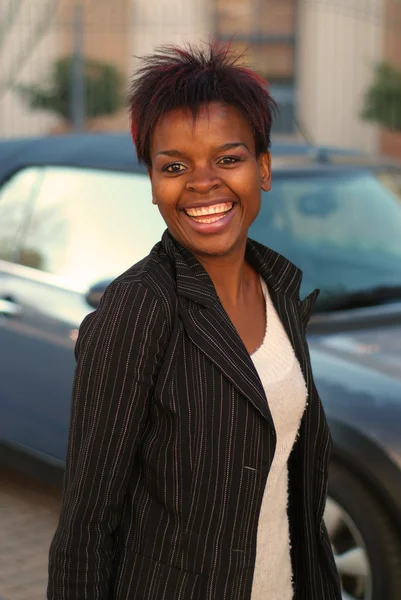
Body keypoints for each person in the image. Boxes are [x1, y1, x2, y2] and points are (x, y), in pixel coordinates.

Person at [48, 42, 341, 600]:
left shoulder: (280, 288)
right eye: (175, 166)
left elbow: (291, 485)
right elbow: (86, 527)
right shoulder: (138, 308)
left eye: (228, 158)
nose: (202, 182)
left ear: (265, 169)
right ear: (154, 185)